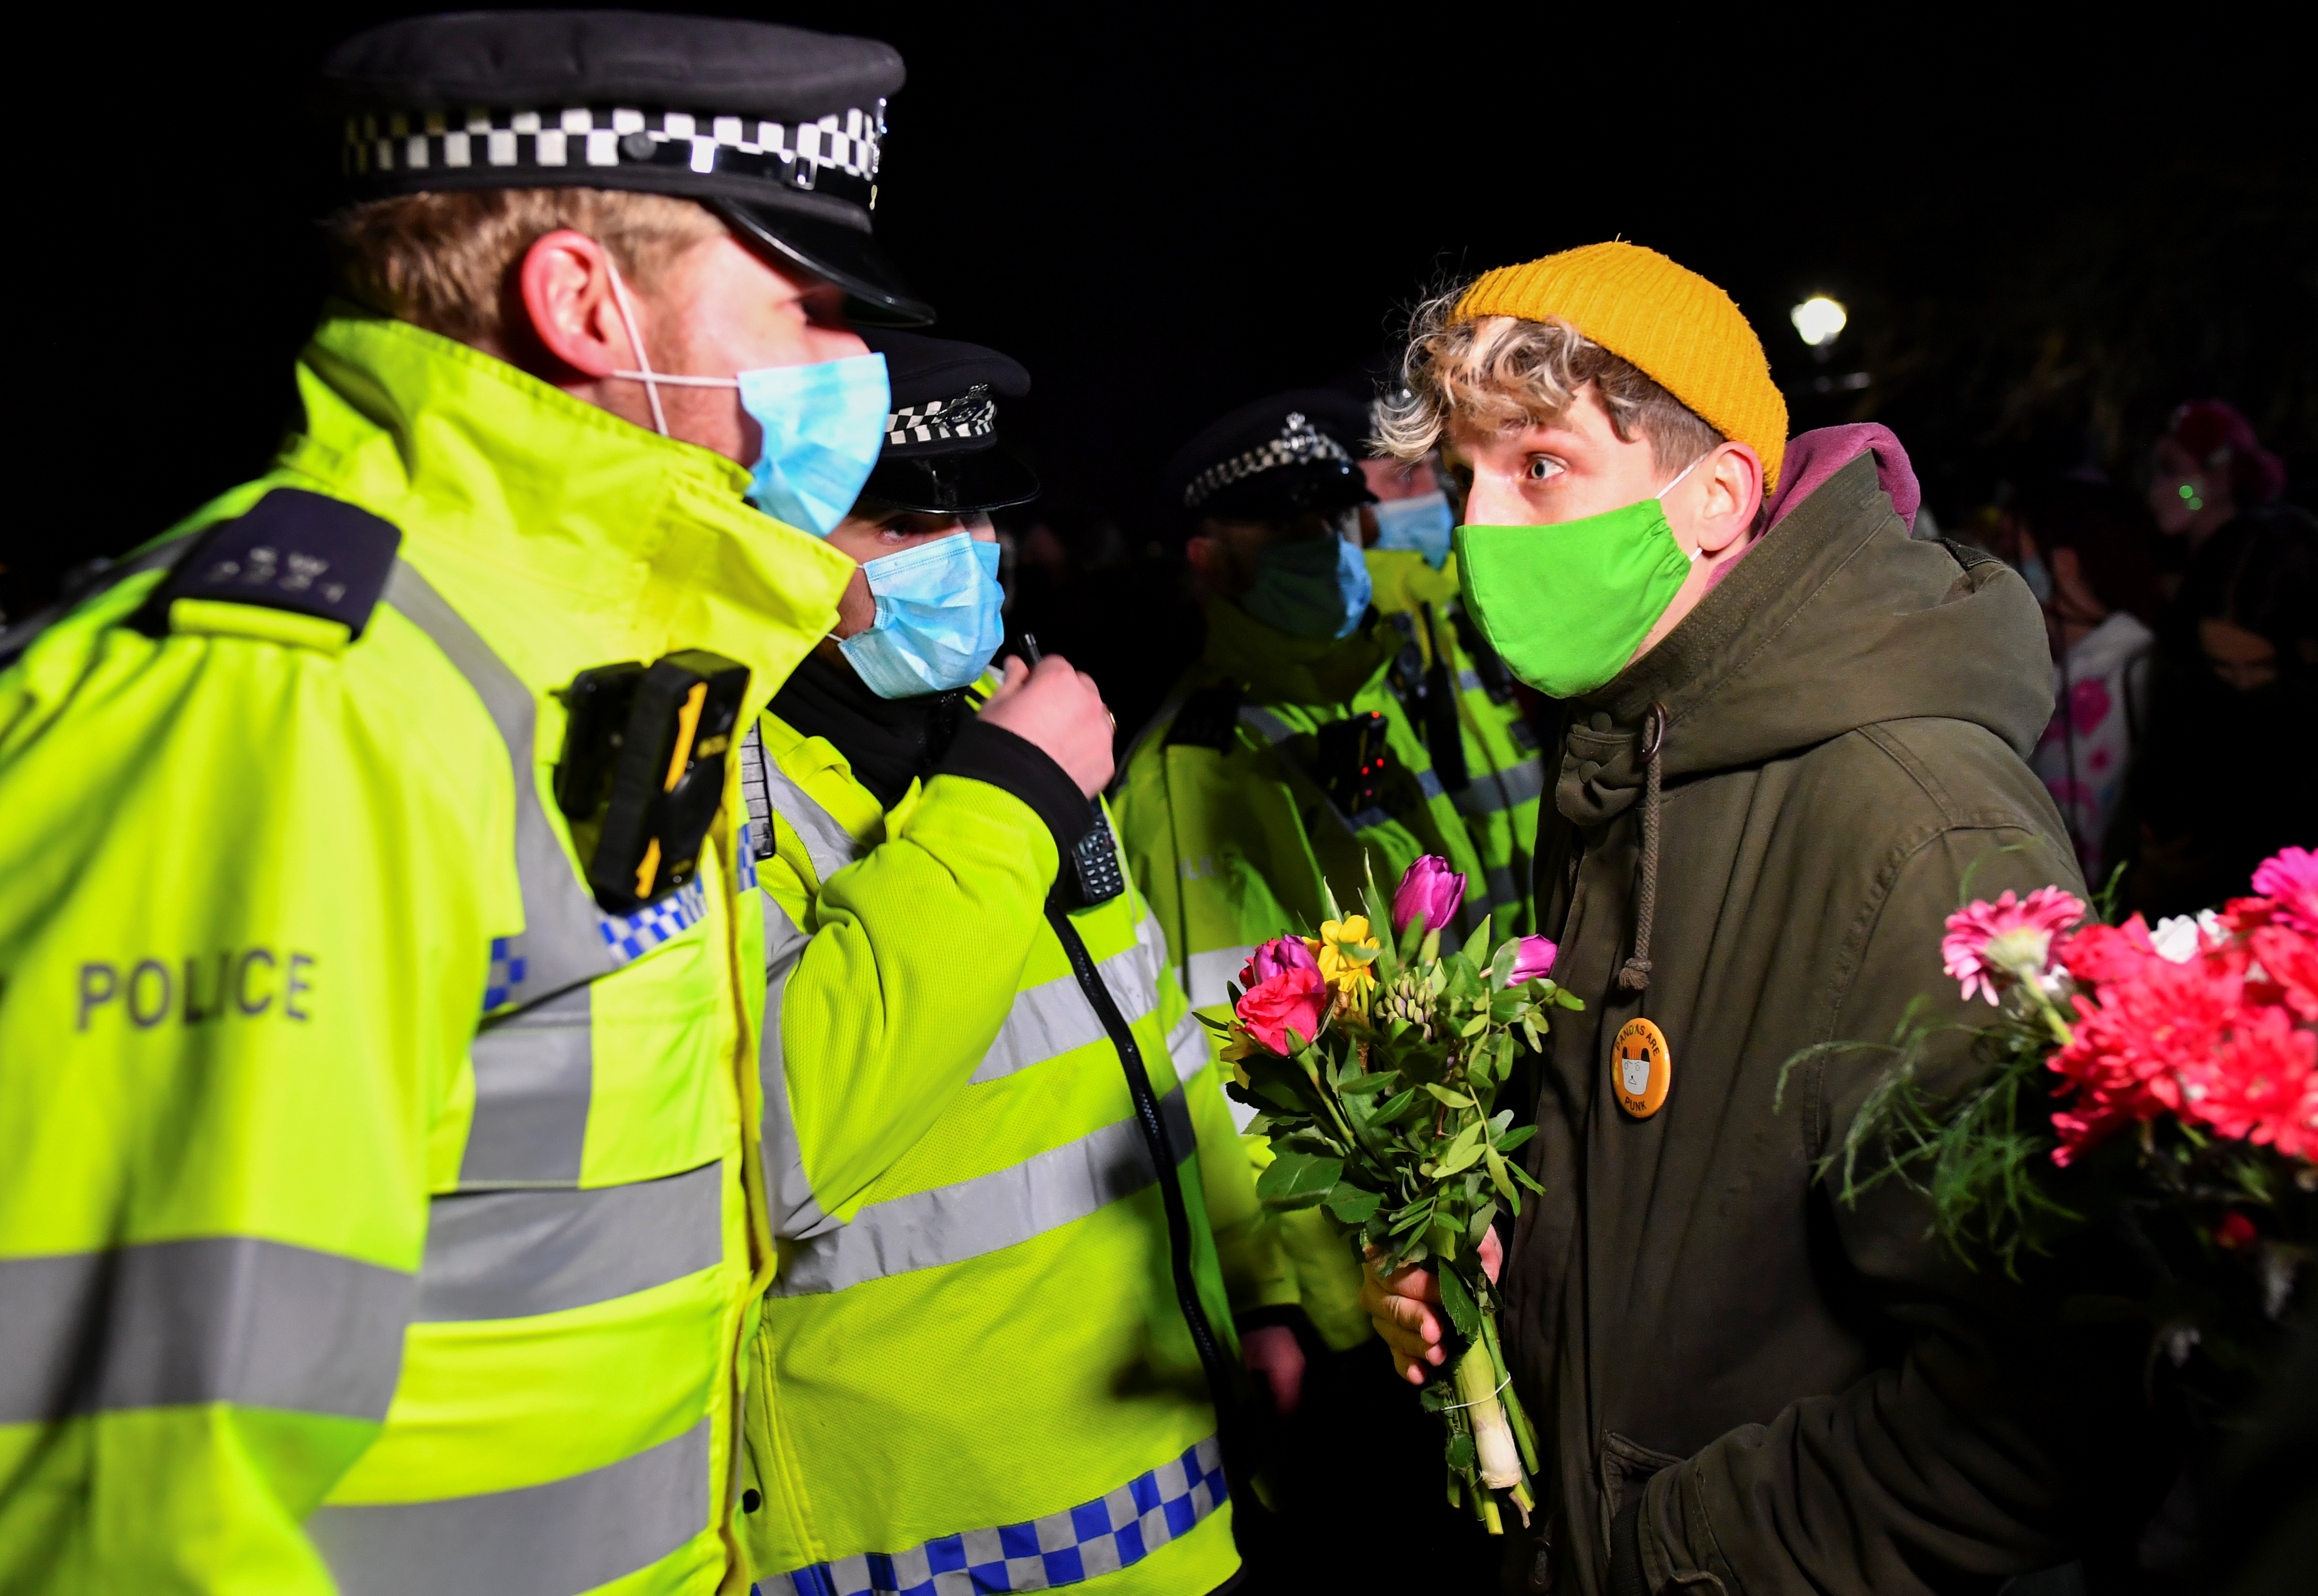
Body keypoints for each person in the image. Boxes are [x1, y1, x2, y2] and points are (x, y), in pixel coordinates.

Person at [0, 13, 1084, 1592]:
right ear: (582, 303)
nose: (853, 369)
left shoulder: (584, 669)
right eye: (808, 304)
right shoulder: (307, 698)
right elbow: (129, 1507)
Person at [1356, 243, 2131, 1594]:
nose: (1481, 528)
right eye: (1465, 477)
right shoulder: (1630, 749)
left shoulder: (1915, 822)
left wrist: (1667, 1550)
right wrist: (1497, 1269)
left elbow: (2045, 1404)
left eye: (1538, 465)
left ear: (1713, 497)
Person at [731, 328, 1283, 1596]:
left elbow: (1157, 1041)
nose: (970, 550)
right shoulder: (724, 794)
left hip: (1175, 1491)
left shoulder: (1009, 719)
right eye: (908, 523)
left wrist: (1258, 1292)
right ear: (781, 540)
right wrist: (999, 803)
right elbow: (778, 1147)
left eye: (980, 514)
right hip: (934, 1545)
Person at [1361, 441, 1548, 932]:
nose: (1434, 491)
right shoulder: (1360, 643)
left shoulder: (1479, 601)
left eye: (1444, 473)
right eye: (1405, 477)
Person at [2109, 504, 2318, 920]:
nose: (2241, 683)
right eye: (2222, 666)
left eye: (2264, 667)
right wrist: (2147, 886)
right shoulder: (2177, 688)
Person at [2012, 476, 2163, 884]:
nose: (2009, 570)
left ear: (2064, 563)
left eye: (2020, 554)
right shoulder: (2066, 664)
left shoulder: (2133, 665)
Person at [2146, 400, 2286, 582]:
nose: (2155, 492)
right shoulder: (2166, 569)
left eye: (2170, 469)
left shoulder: (2255, 576)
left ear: (2221, 476)